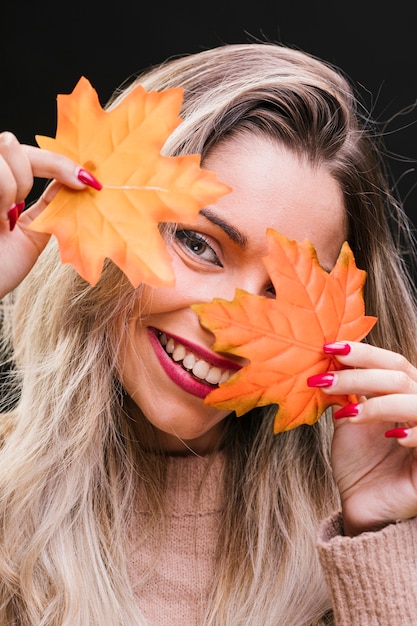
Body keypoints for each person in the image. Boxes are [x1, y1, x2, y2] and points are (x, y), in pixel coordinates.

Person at [1, 40, 417, 626]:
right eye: (198, 244)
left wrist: (377, 539)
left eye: (283, 294)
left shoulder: (367, 531)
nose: (229, 327)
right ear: (96, 214)